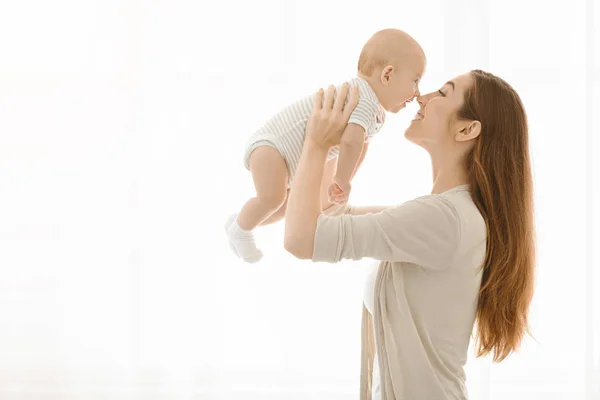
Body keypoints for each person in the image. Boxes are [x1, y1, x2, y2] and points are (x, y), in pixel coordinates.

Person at [284, 73, 536, 399]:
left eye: (443, 93)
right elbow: (326, 218)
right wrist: (336, 147)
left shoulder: (444, 219)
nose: (421, 97)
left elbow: (301, 239)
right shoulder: (443, 215)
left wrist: (315, 143)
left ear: (467, 129)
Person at [225, 28, 426, 263]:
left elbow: (358, 145)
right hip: (271, 147)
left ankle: (241, 220)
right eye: (415, 81)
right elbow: (351, 142)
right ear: (388, 75)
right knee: (272, 199)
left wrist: (341, 179)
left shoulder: (372, 107)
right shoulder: (365, 99)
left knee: (286, 206)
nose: (417, 93)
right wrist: (342, 180)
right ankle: (241, 229)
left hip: (285, 158)